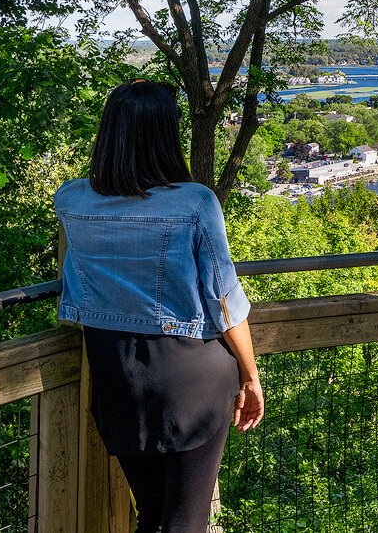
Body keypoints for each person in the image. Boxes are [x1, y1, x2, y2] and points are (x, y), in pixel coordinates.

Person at [54, 80, 263, 533]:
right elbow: (224, 300)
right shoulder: (194, 202)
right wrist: (250, 374)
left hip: (116, 372)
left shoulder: (72, 200)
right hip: (191, 376)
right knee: (188, 516)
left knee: (152, 513)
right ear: (166, 134)